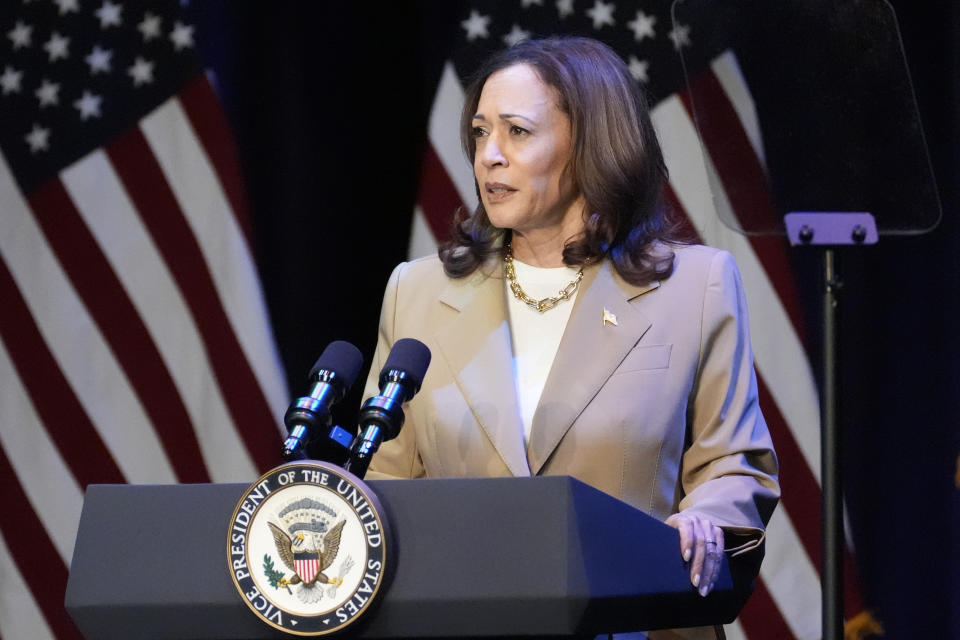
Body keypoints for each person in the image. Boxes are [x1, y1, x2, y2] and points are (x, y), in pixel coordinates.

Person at [363, 36, 779, 639]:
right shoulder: (417, 292)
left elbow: (735, 464)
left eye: (517, 131)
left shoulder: (696, 286)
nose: (489, 156)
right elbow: (386, 479)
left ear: (590, 143)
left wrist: (706, 521)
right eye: (480, 133)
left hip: (641, 621)